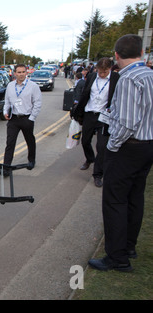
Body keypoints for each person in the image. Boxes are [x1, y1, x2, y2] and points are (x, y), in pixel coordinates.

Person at [88, 34, 153, 272]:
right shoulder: (149, 74)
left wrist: (112, 147)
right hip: (147, 145)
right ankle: (129, 246)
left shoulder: (127, 79)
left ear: (116, 56)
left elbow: (127, 123)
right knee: (135, 197)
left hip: (128, 147)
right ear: (142, 53)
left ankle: (117, 258)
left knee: (115, 201)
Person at [71, 57, 120, 187]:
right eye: (100, 71)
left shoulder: (115, 78)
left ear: (109, 69)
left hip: (104, 116)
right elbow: (85, 95)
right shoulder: (92, 77)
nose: (102, 74)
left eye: (104, 72)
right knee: (85, 141)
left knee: (102, 146)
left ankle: (98, 174)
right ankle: (90, 158)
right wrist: (77, 112)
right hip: (89, 114)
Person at [0, 64, 42, 177]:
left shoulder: (33, 86)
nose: (21, 74)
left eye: (23, 72)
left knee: (30, 140)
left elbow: (37, 103)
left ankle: (31, 160)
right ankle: (6, 167)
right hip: (13, 119)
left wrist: (31, 118)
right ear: (15, 73)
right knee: (10, 143)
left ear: (26, 73)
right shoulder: (10, 86)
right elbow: (7, 101)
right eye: (19, 72)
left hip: (27, 118)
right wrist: (5, 112)